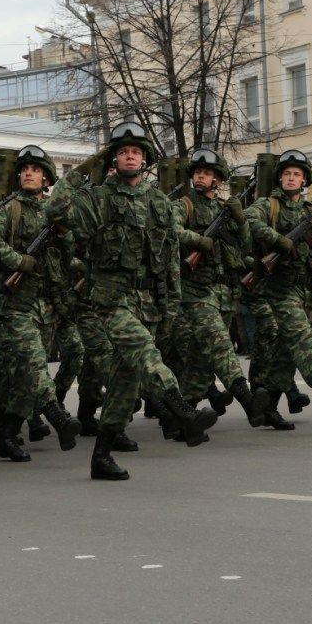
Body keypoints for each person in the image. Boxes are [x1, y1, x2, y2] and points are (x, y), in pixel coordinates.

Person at [45, 122, 218, 481]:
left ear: (145, 160)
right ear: (113, 159)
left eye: (135, 152)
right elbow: (57, 210)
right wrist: (81, 172)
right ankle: (182, 413)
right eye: (122, 151)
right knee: (144, 353)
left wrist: (170, 305)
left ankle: (101, 457)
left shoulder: (158, 202)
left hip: (148, 301)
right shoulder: (98, 198)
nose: (129, 156)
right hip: (109, 299)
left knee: (125, 383)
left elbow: (170, 256)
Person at [0, 145, 80, 461]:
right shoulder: (9, 209)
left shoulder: (53, 212)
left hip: (45, 304)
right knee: (35, 363)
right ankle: (58, 418)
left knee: (25, 377)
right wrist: (18, 261)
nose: (28, 173)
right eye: (24, 169)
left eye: (35, 170)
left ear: (46, 178)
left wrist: (65, 237)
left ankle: (7, 434)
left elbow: (68, 254)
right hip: (14, 305)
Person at [245, 150, 312, 426]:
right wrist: (278, 239)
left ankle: (268, 408)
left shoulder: (309, 211)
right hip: (280, 289)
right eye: (286, 174)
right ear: (279, 178)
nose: (291, 178)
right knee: (305, 344)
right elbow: (248, 219)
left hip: (305, 290)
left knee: (285, 353)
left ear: (304, 179)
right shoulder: (268, 204)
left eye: (296, 174)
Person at [170, 149, 269, 429]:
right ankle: (248, 400)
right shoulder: (184, 206)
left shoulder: (224, 209)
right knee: (222, 347)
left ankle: (180, 420)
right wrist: (198, 240)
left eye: (207, 173)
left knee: (202, 362)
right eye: (198, 172)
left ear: (218, 179)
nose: (201, 176)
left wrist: (239, 220)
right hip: (196, 293)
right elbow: (171, 231)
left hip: (225, 294)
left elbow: (246, 246)